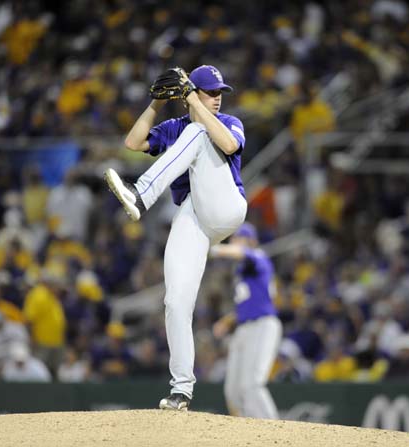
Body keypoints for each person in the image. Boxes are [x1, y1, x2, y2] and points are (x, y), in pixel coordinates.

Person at [104, 65, 247, 411]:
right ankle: (181, 389)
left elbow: (227, 145)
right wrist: (154, 104)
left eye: (219, 93)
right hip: (193, 217)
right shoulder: (176, 127)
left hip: (225, 206)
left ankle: (141, 195)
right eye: (209, 92)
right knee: (175, 302)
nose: (217, 98)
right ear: (191, 95)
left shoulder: (228, 122)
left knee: (199, 135)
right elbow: (133, 142)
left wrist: (193, 104)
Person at [210, 223, 282, 419]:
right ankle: (245, 436)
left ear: (250, 240)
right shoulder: (241, 272)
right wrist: (227, 321)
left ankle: (278, 435)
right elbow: (247, 303)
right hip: (243, 328)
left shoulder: (259, 256)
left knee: (251, 385)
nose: (233, 242)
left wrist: (213, 249)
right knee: (233, 390)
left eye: (237, 238)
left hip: (263, 324)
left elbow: (242, 252)